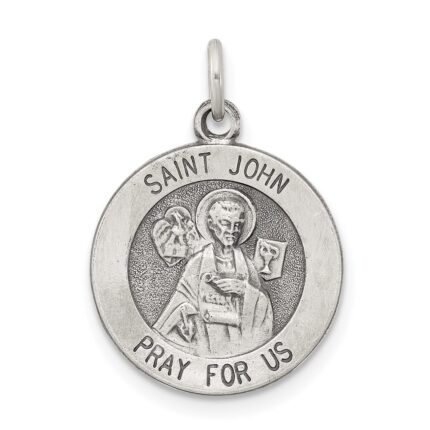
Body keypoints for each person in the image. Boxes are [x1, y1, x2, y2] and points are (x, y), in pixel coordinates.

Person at [153, 189, 273, 357]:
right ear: (211, 224)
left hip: (241, 345)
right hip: (205, 343)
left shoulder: (247, 266)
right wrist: (185, 323)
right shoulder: (197, 263)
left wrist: (244, 290)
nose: (232, 230)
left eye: (237, 225)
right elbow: (179, 305)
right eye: (225, 223)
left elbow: (261, 305)